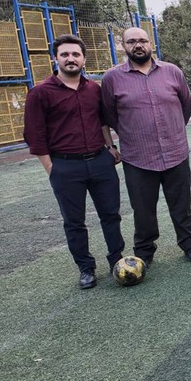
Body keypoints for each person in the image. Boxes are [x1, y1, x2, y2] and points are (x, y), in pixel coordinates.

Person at [23, 34, 124, 289]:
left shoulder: (93, 89)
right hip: (65, 166)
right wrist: (51, 168)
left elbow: (102, 121)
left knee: (111, 215)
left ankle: (117, 260)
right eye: (65, 54)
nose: (71, 59)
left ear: (83, 59)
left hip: (100, 162)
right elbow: (35, 135)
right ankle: (86, 268)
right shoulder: (40, 93)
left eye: (76, 54)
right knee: (74, 222)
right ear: (55, 58)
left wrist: (110, 147)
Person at [102, 27, 191, 264]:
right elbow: (109, 115)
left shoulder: (172, 72)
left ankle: (189, 244)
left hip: (175, 152)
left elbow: (186, 107)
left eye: (142, 40)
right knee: (143, 210)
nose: (138, 45)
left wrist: (173, 131)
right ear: (123, 46)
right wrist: (133, 135)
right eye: (131, 42)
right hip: (138, 157)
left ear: (151, 44)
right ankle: (144, 252)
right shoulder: (112, 78)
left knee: (182, 205)